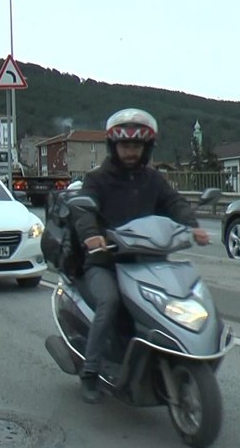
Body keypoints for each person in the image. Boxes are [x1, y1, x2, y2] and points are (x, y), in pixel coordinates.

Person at [71, 108, 209, 403]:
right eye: (125, 146)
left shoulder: (153, 179)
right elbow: (84, 212)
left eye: (136, 146)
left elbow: (174, 203)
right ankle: (91, 371)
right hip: (105, 261)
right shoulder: (97, 179)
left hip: (147, 260)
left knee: (176, 296)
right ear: (114, 146)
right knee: (109, 301)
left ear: (145, 149)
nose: (130, 152)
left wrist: (194, 226)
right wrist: (91, 236)